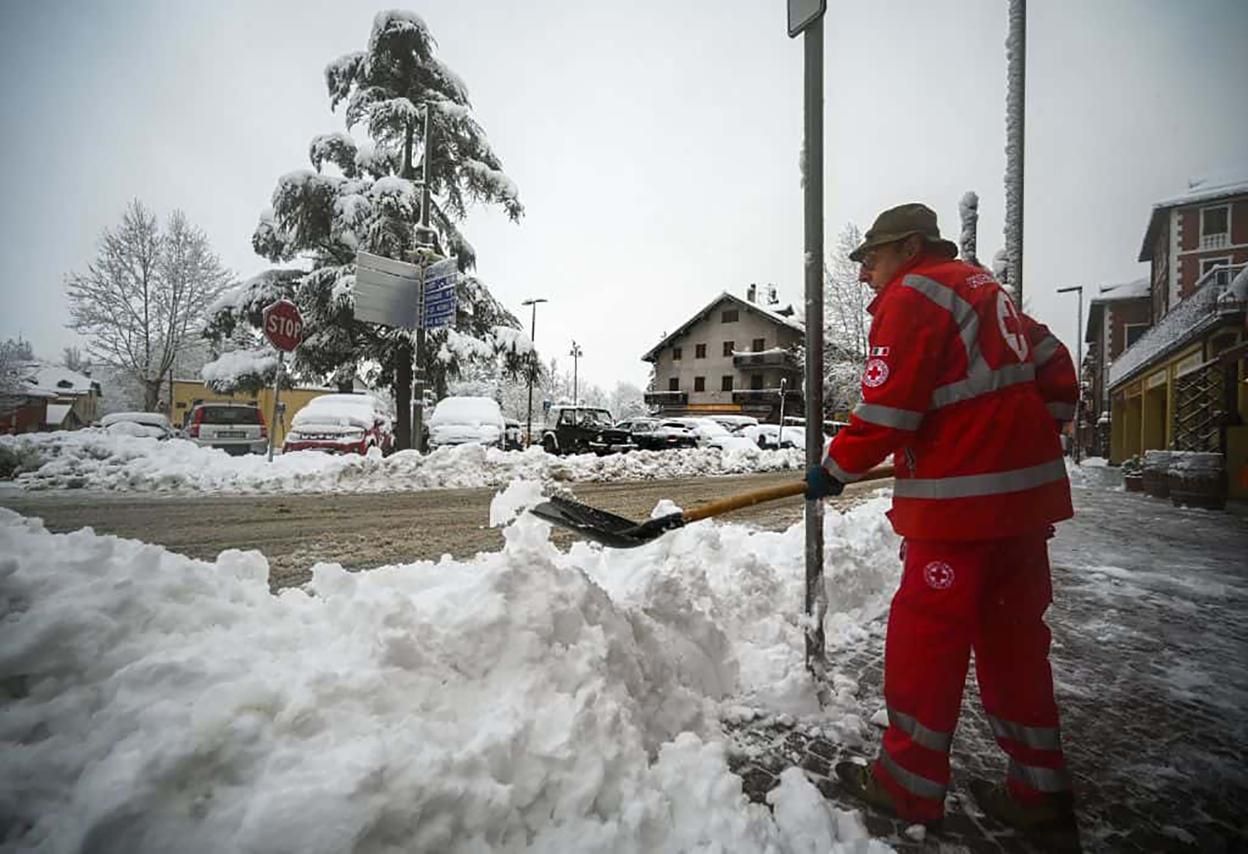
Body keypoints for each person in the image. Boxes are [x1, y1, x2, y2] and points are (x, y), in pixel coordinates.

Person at [806, 203, 1078, 838]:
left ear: (908, 247)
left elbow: (889, 408)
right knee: (1015, 645)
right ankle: (1040, 789)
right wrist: (1037, 430)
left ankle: (907, 786)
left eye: (869, 259)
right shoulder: (988, 293)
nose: (865, 274)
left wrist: (835, 468)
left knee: (925, 645)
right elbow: (1055, 364)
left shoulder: (914, 295)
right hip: (1023, 506)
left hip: (959, 511)